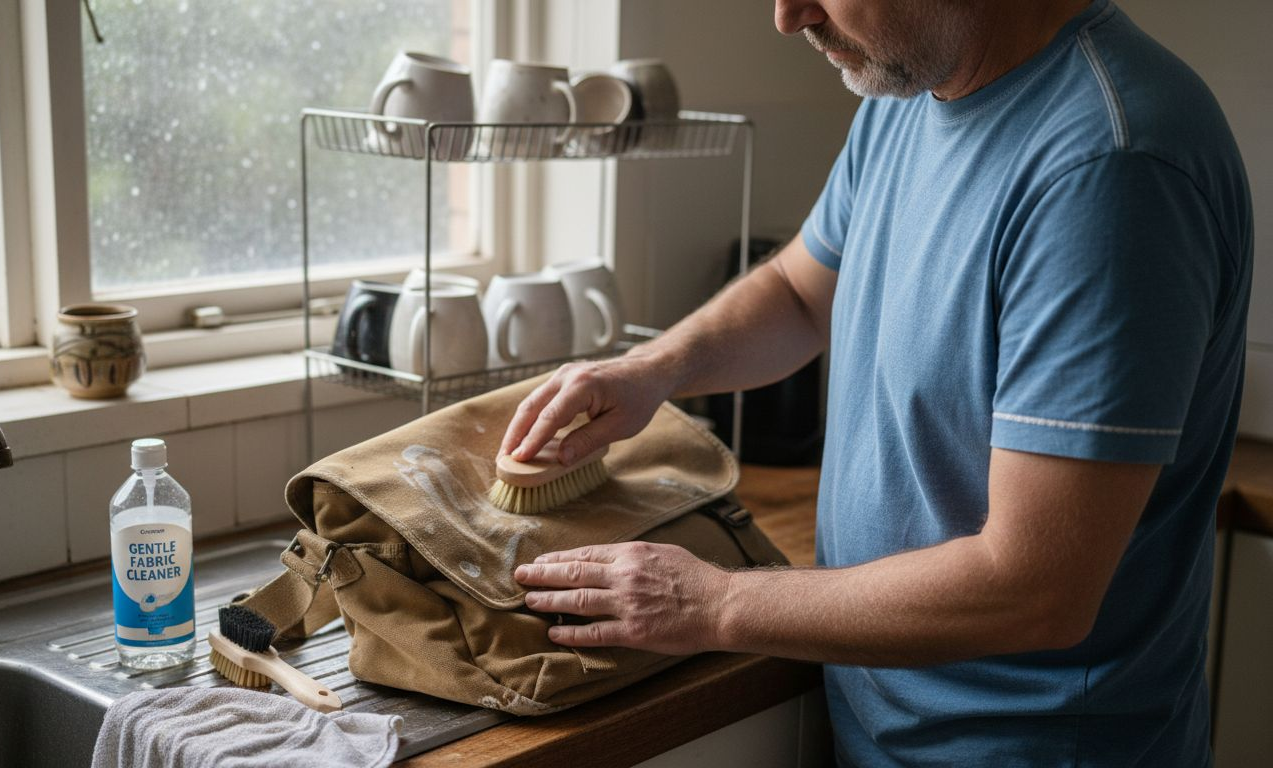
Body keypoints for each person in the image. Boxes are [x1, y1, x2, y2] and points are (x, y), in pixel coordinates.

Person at [507, 0, 1252, 765]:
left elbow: (1036, 590)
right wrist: (652, 368)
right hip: (883, 735)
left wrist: (715, 602)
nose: (787, 16)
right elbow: (801, 295)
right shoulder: (912, 88)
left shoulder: (1111, 167)